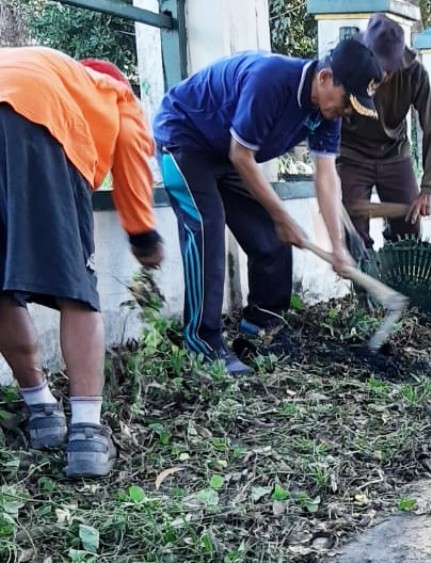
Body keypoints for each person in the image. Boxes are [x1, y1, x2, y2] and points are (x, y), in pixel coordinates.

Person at [152, 39, 381, 375]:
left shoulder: (326, 112)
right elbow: (241, 155)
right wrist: (283, 216)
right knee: (207, 229)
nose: (347, 111)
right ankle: (202, 341)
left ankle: (260, 327)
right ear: (326, 78)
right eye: (348, 101)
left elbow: (326, 177)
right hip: (184, 138)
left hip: (225, 152)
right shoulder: (271, 81)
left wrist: (338, 246)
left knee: (271, 236)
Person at [0, 47, 165, 478]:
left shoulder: (47, 64)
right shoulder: (115, 92)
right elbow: (132, 157)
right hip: (36, 120)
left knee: (2, 283)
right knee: (75, 287)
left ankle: (41, 414)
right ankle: (87, 434)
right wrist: (143, 236)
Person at [339, 13, 431, 249]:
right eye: (378, 65)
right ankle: (366, 284)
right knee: (353, 236)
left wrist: (428, 188)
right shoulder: (347, 66)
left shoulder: (415, 75)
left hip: (394, 154)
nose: (383, 74)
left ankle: (399, 281)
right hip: (351, 156)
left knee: (410, 230)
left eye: (389, 67)